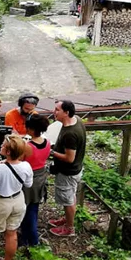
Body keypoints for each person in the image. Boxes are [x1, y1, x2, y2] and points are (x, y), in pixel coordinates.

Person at [49, 100, 86, 237]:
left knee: (68, 199)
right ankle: (67, 219)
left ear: (66, 112)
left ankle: (69, 228)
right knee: (70, 196)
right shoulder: (76, 119)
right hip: (76, 168)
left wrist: (51, 153)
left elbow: (69, 158)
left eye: (57, 110)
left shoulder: (70, 133)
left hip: (68, 172)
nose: (54, 112)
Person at [20, 115, 51, 247]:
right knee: (34, 207)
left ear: (32, 130)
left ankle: (32, 240)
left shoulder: (28, 146)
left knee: (27, 211)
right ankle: (29, 237)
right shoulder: (47, 142)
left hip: (29, 179)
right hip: (41, 177)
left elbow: (19, 161)